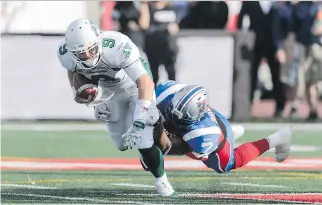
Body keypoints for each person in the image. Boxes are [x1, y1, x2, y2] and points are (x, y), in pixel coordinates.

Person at [57, 18, 175, 196]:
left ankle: (162, 181)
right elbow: (74, 78)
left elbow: (145, 82)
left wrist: (140, 121)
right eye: (81, 53)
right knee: (121, 143)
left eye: (90, 50)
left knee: (142, 138)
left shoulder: (117, 45)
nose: (87, 56)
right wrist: (91, 101)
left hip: (136, 86)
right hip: (109, 91)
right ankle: (148, 141)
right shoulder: (66, 54)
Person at [141, 80, 293, 173]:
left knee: (226, 165)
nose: (172, 116)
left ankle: (278, 138)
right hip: (203, 121)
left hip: (209, 135)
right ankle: (231, 133)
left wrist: (152, 149)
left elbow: (169, 147)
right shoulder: (166, 94)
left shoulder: (202, 134)